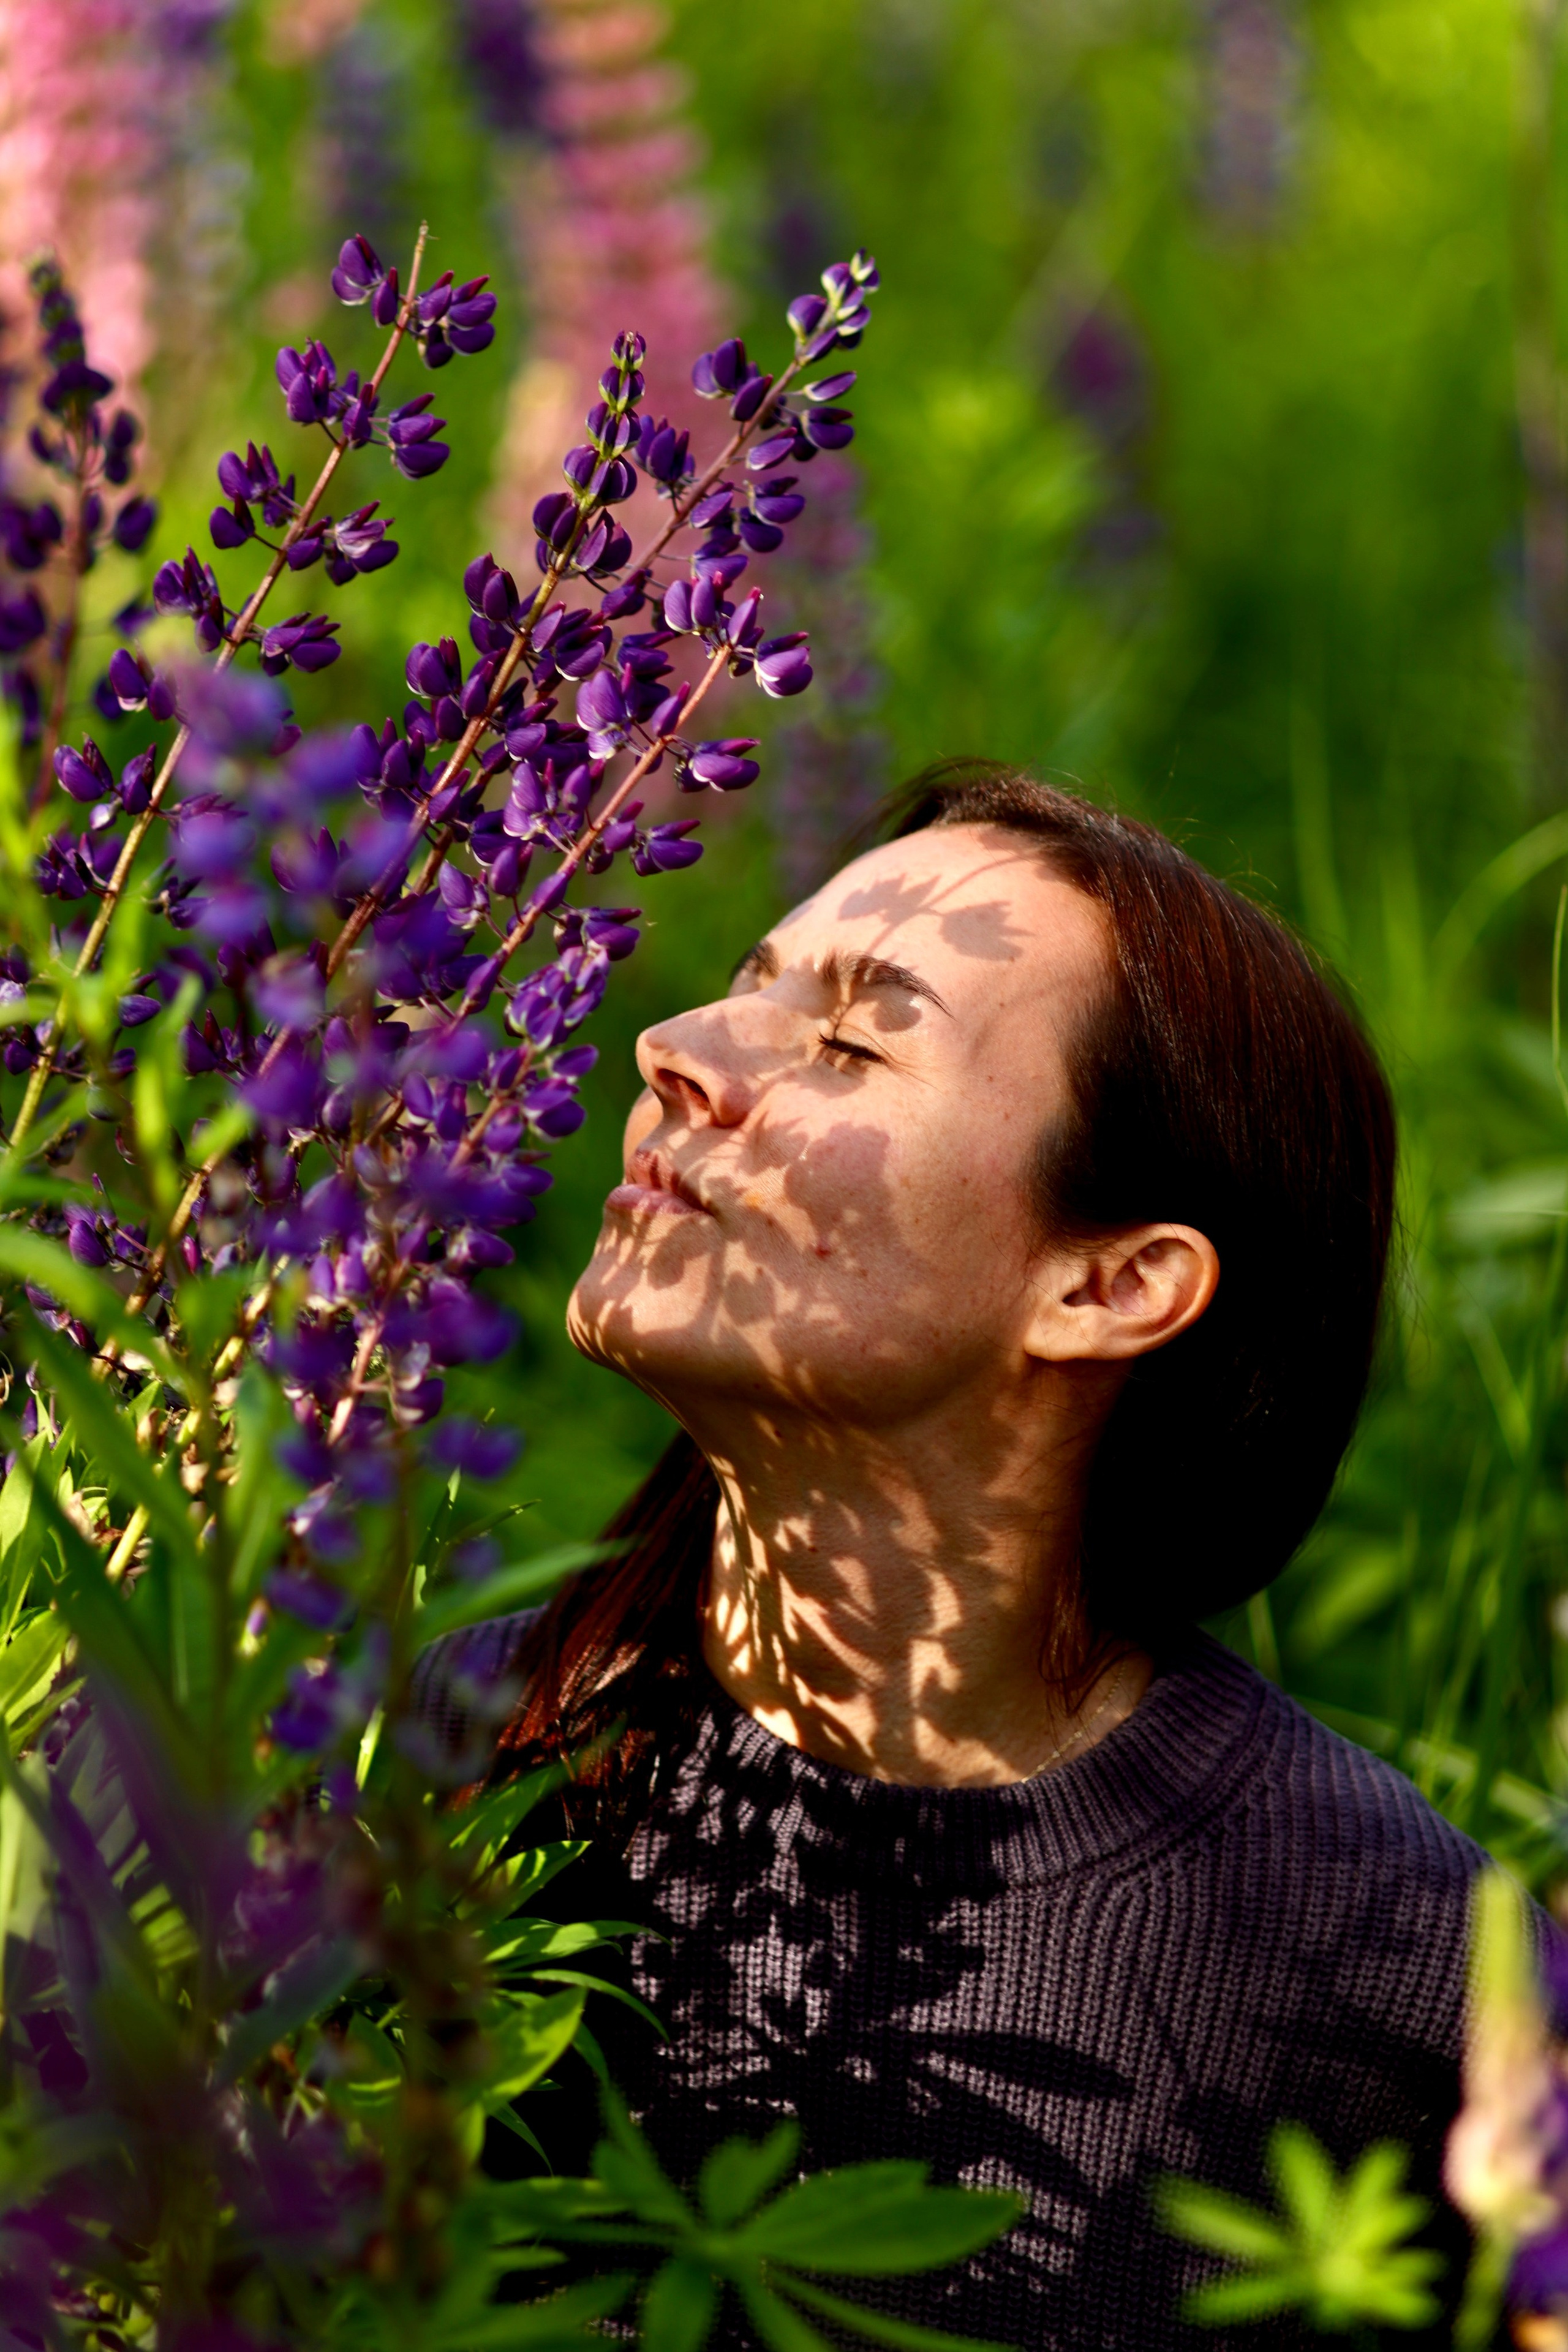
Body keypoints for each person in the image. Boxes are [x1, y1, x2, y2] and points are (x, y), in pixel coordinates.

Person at [423, 761, 1483, 2348]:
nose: (679, 1049)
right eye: (749, 989)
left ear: (1111, 1287)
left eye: (852, 1043)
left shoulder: (1390, 1959)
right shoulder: (396, 1766)